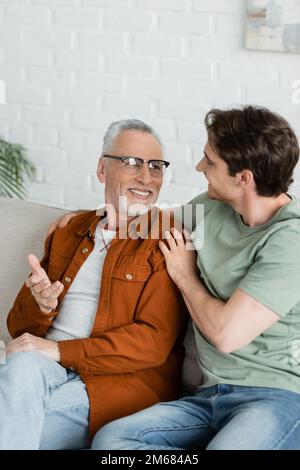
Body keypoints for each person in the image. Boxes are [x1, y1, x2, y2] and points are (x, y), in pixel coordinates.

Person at [82, 105, 300, 450]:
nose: (200, 168)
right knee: (112, 440)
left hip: (275, 398)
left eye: (210, 162)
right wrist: (80, 221)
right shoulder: (212, 209)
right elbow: (141, 222)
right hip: (208, 397)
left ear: (243, 177)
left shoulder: (291, 241)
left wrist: (184, 274)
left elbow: (226, 335)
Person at [0, 119, 188, 450]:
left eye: (156, 166)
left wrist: (57, 350)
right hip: (41, 367)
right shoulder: (69, 231)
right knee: (22, 364)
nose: (146, 177)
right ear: (103, 169)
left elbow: (152, 342)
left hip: (112, 386)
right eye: (132, 162)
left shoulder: (167, 238)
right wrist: (41, 306)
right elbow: (18, 329)